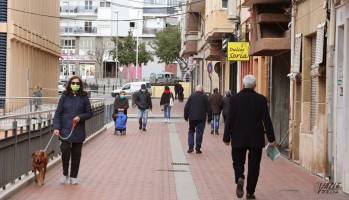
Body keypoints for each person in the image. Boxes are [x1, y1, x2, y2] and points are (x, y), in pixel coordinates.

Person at [223, 75, 276, 199]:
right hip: (256, 138)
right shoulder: (261, 99)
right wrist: (271, 138)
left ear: (243, 84)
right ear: (255, 85)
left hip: (238, 137)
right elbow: (266, 120)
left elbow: (229, 119)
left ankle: (240, 176)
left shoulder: (234, 99)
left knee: (237, 161)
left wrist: (226, 137)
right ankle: (250, 192)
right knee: (254, 166)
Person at [53, 75, 93, 185]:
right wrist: (56, 127)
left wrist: (80, 117)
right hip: (65, 130)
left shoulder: (84, 97)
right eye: (73, 83)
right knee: (65, 151)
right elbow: (58, 112)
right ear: (69, 84)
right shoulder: (64, 96)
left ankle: (74, 176)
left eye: (77, 83)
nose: (75, 85)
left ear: (80, 85)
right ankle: (65, 173)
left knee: (76, 154)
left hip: (78, 130)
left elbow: (89, 112)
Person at [184, 85, 212, 154]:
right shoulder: (205, 97)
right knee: (199, 133)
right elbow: (209, 109)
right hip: (201, 118)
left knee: (191, 131)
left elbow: (186, 107)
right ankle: (198, 148)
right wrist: (209, 119)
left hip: (192, 118)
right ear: (202, 90)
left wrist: (186, 117)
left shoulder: (191, 96)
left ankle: (190, 147)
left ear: (195, 90)